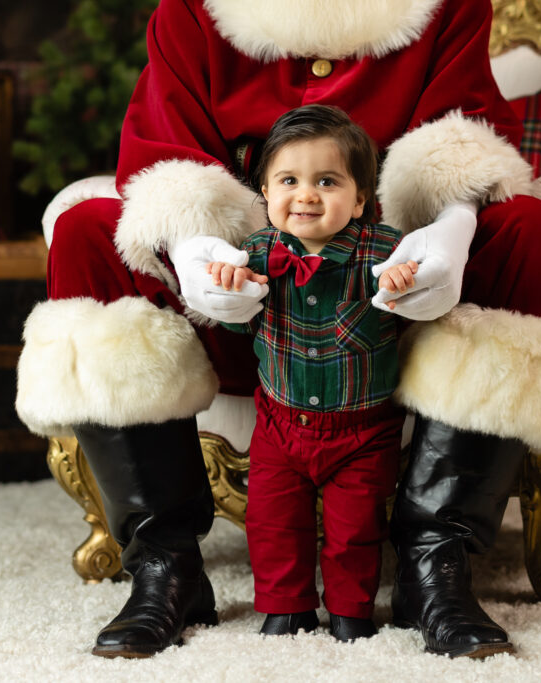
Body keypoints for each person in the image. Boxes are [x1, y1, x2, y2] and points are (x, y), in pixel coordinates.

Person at [15, 0, 541, 660]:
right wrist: (189, 246)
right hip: (241, 313)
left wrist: (453, 230)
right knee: (88, 231)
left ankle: (437, 562)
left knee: (529, 231)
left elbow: (463, 129)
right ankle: (164, 564)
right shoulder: (193, 10)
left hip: (394, 315)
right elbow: (163, 145)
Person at [204, 105, 418, 642]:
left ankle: (351, 611)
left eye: (327, 181)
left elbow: (423, 300)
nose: (306, 195)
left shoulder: (383, 249)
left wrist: (405, 280)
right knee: (273, 522)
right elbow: (235, 328)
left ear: (361, 199)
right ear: (267, 194)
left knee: (356, 528)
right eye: (289, 181)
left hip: (363, 429)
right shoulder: (256, 253)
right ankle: (286, 607)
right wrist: (231, 291)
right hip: (280, 423)